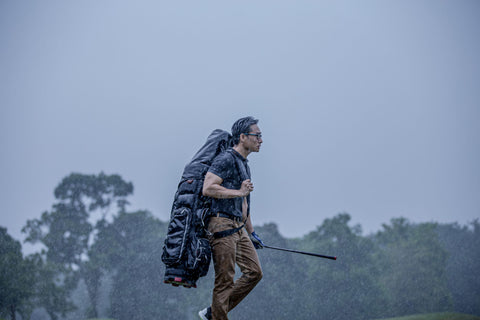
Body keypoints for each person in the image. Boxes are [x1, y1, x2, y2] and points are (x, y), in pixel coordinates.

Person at [198, 116, 265, 320]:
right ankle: (217, 315)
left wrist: (252, 233)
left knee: (254, 272)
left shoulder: (245, 164)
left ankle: (213, 312)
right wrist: (238, 192)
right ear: (243, 137)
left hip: (238, 226)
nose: (261, 140)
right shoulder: (226, 159)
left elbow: (244, 204)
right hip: (221, 224)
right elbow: (208, 187)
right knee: (225, 282)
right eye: (257, 135)